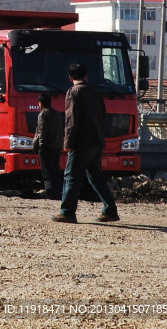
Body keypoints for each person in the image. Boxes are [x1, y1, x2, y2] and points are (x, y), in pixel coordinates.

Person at [52, 62, 119, 223]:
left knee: (71, 176)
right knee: (96, 177)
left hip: (81, 142)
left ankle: (67, 211)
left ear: (70, 78)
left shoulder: (73, 92)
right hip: (97, 141)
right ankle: (110, 210)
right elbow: (104, 117)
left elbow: (71, 120)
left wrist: (68, 141)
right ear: (86, 76)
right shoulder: (96, 92)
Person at [32, 91, 64, 200]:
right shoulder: (57, 114)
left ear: (41, 103)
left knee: (47, 173)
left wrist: (40, 147)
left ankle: (50, 193)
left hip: (47, 148)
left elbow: (42, 133)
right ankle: (58, 192)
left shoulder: (43, 114)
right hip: (58, 146)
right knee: (55, 170)